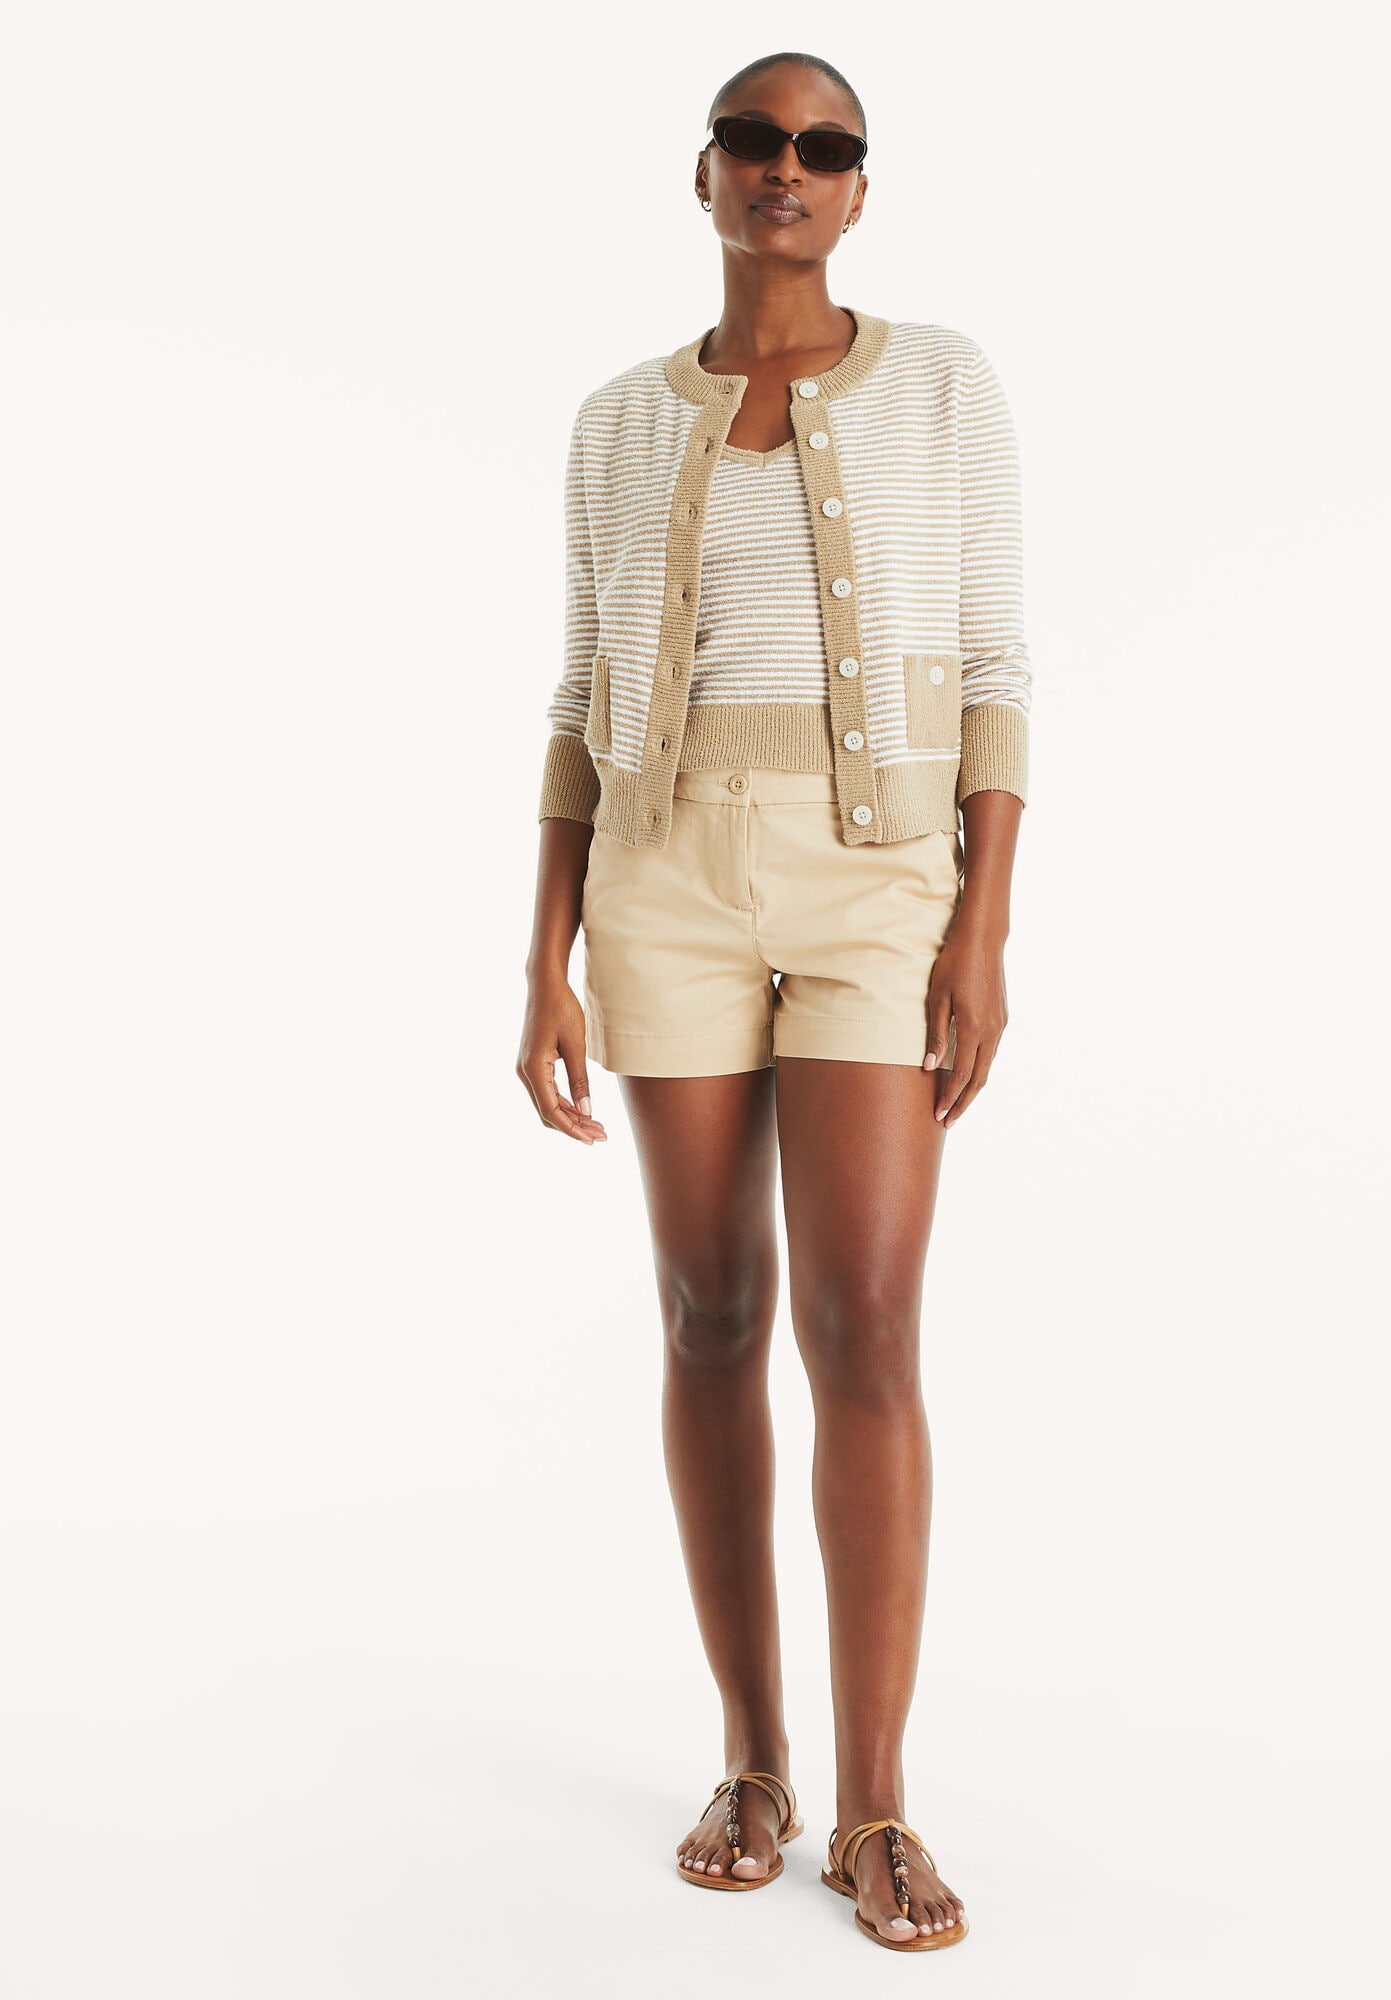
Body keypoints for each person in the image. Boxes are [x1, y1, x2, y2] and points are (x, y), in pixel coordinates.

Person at [515, 49, 1031, 1954]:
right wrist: (544, 950)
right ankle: (753, 1759)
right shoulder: (614, 422)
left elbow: (995, 665)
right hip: (662, 883)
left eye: (824, 147)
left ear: (861, 188)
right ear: (707, 173)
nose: (785, 168)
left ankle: (877, 1804)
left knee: (865, 1322)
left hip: (877, 879)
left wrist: (982, 932)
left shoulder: (945, 386)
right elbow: (580, 690)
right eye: (754, 139)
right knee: (711, 1309)